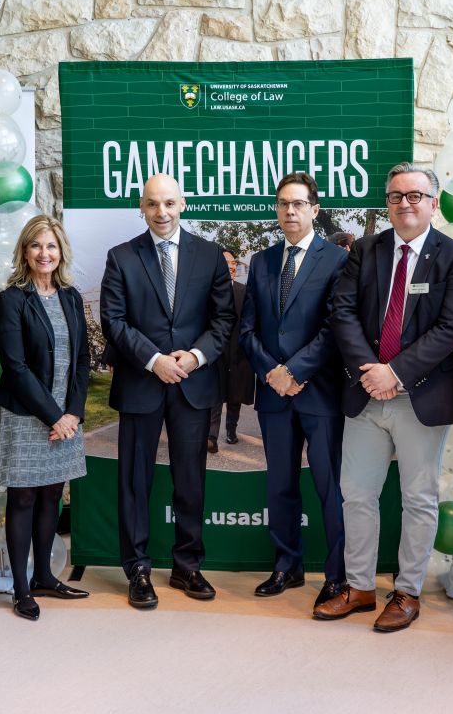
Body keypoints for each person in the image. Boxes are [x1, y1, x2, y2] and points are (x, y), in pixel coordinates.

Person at [316, 163, 453, 631]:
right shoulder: (367, 250)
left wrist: (396, 373)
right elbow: (343, 312)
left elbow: (450, 328)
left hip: (419, 396)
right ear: (387, 203)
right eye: (395, 196)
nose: (404, 203)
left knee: (418, 499)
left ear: (434, 203)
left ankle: (407, 592)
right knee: (356, 495)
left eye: (414, 195)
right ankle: (360, 588)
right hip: (366, 392)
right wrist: (373, 372)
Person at [100, 173, 235, 609]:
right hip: (141, 382)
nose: (162, 212)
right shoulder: (121, 257)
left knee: (191, 481)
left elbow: (223, 320)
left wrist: (194, 357)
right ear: (142, 207)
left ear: (183, 204)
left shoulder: (210, 255)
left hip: (193, 383)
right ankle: (137, 568)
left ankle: (186, 565)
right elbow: (114, 320)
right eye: (153, 204)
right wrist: (154, 360)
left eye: (170, 203)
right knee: (134, 481)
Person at [239, 172, 349, 607]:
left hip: (318, 392)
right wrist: (273, 372)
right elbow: (247, 330)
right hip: (273, 394)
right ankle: (287, 566)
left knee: (329, 487)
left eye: (299, 203)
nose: (290, 211)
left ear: (314, 209)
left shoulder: (336, 260)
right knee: (280, 486)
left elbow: (335, 326)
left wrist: (295, 371)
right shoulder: (262, 261)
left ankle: (337, 577)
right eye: (283, 203)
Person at [0, 215, 90, 620]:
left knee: (52, 493)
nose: (44, 253)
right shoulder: (12, 299)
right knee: (24, 496)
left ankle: (45, 577)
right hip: (25, 414)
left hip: (65, 415)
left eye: (51, 246)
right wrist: (55, 417)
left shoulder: (71, 297)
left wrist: (74, 413)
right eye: (36, 245)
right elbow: (15, 368)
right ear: (25, 251)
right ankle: (21, 588)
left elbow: (82, 360)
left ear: (61, 251)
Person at [207, 248, 254, 452]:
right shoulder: (208, 292)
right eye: (227, 264)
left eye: (234, 264)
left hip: (239, 352)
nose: (232, 268)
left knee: (236, 394)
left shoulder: (245, 291)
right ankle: (211, 436)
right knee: (215, 395)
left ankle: (231, 430)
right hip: (215, 352)